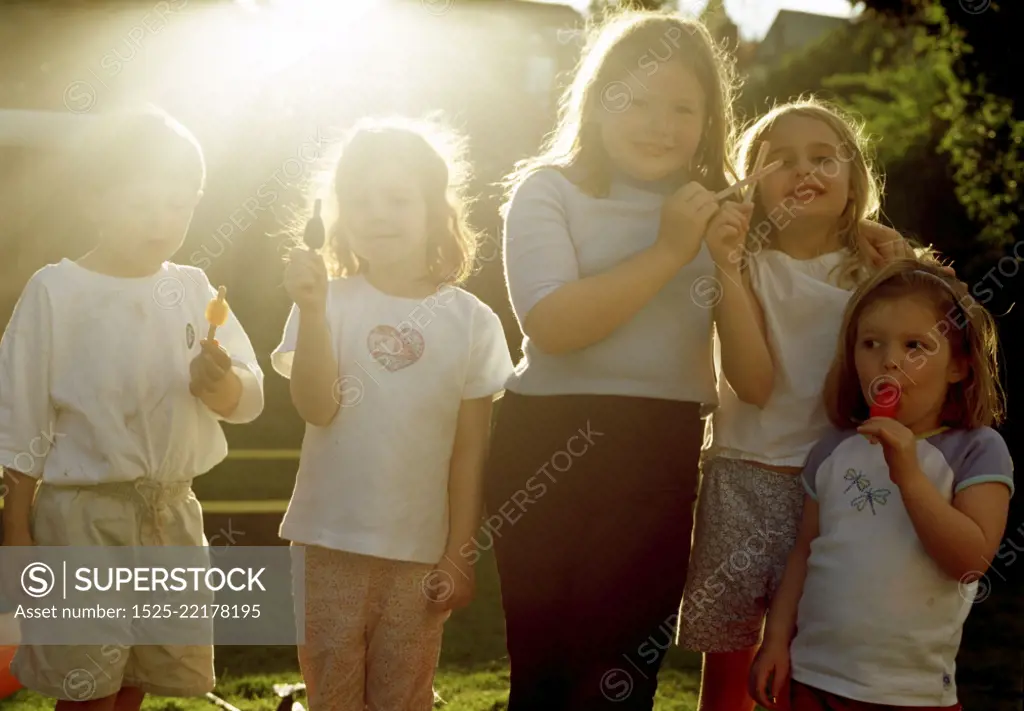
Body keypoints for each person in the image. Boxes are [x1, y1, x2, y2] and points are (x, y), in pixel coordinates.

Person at [0, 107, 265, 710]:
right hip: (82, 522)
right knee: (85, 684)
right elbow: (17, 417)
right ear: (94, 201)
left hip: (171, 513)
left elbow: (247, 393)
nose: (162, 222)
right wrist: (16, 527)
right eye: (143, 205)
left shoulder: (195, 290)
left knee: (138, 676)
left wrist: (219, 385)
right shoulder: (57, 292)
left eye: (179, 205)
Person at [679, 98, 924, 711]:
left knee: (811, 663)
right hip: (741, 477)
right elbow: (754, 386)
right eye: (781, 159)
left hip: (834, 489)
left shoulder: (873, 274)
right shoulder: (742, 267)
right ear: (752, 183)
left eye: (823, 158)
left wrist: (893, 283)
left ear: (853, 185)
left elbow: (900, 385)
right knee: (729, 667)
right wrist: (728, 269)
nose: (803, 170)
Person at [271, 117, 514, 711]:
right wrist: (312, 309)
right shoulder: (327, 301)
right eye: (360, 200)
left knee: (403, 699)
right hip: (327, 544)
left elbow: (469, 452)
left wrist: (460, 550)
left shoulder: (472, 322)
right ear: (338, 215)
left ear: (435, 209)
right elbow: (316, 406)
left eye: (398, 199)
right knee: (333, 698)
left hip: (418, 554)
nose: (377, 214)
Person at [749, 259, 1012, 710]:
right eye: (871, 343)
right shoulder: (833, 448)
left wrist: (907, 472)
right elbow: (804, 552)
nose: (889, 360)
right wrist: (774, 641)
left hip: (911, 694)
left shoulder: (977, 449)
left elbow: (970, 563)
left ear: (959, 367)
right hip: (813, 679)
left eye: (915, 346)